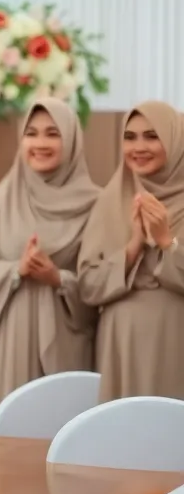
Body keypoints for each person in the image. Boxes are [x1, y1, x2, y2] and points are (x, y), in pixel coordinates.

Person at [0, 98, 98, 494]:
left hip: (68, 340)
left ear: (72, 141)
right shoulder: (3, 200)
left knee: (63, 447)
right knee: (9, 445)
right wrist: (15, 272)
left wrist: (58, 277)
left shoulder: (97, 204)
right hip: (10, 339)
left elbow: (104, 283)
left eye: (52, 133)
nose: (39, 143)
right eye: (32, 133)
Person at [78, 101, 184, 402]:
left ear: (175, 140)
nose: (139, 146)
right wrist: (133, 247)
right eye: (130, 137)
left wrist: (166, 241)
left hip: (175, 339)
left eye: (152, 136)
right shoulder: (110, 200)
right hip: (120, 344)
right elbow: (87, 286)